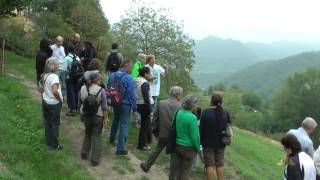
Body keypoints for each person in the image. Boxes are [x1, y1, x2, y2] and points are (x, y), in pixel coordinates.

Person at [140, 86, 183, 173]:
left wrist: (155, 132)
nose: (181, 96)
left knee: (157, 150)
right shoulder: (181, 106)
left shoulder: (161, 103)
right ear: (177, 95)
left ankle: (146, 165)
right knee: (174, 155)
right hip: (175, 136)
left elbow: (155, 119)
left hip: (163, 133)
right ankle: (173, 175)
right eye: (181, 94)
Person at [79, 72, 108, 166]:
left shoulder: (83, 88)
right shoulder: (101, 90)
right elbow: (104, 107)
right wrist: (105, 118)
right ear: (97, 80)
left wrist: (81, 114)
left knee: (87, 133)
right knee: (96, 136)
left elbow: (79, 102)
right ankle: (95, 159)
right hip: (98, 116)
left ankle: (84, 153)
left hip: (86, 115)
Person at [108, 59, 137, 155]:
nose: (132, 69)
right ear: (126, 67)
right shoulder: (129, 78)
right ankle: (120, 148)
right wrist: (134, 107)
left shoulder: (112, 75)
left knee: (116, 119)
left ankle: (112, 138)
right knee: (124, 124)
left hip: (116, 102)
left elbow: (109, 89)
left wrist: (112, 100)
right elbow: (131, 94)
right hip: (125, 104)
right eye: (131, 67)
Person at [199, 94, 231, 180]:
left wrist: (200, 141)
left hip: (208, 143)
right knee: (220, 164)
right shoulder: (226, 113)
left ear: (211, 101)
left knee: (209, 165)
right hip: (221, 143)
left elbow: (201, 129)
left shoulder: (205, 112)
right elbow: (228, 127)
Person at [169, 95, 200, 180]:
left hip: (177, 145)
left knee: (175, 169)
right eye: (196, 104)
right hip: (188, 148)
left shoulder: (177, 112)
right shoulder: (193, 118)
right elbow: (194, 137)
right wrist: (197, 148)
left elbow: (172, 126)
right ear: (193, 105)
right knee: (185, 171)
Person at [41, 57, 63, 150]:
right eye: (57, 64)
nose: (59, 65)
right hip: (54, 103)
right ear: (53, 66)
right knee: (54, 124)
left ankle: (48, 142)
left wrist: (46, 94)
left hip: (45, 101)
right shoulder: (54, 76)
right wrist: (59, 99)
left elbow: (40, 88)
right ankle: (54, 145)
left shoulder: (44, 75)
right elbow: (55, 91)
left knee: (47, 122)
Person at [136, 67, 154, 151]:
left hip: (139, 104)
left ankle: (145, 142)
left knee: (144, 125)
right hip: (145, 106)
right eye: (149, 73)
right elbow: (146, 98)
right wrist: (149, 110)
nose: (150, 75)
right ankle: (142, 145)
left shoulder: (138, 81)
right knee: (145, 126)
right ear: (146, 74)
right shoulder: (144, 84)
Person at [65, 45, 83, 116]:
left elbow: (64, 69)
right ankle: (77, 107)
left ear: (68, 51)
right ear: (74, 51)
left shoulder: (66, 58)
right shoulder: (77, 58)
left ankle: (72, 109)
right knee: (76, 92)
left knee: (70, 93)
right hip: (77, 77)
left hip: (69, 77)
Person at [50, 35, 66, 100]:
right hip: (56, 68)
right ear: (56, 41)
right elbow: (50, 58)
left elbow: (63, 56)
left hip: (63, 68)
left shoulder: (62, 48)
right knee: (56, 82)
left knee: (64, 83)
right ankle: (55, 95)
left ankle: (63, 96)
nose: (60, 43)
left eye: (61, 41)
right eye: (59, 41)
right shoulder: (52, 47)